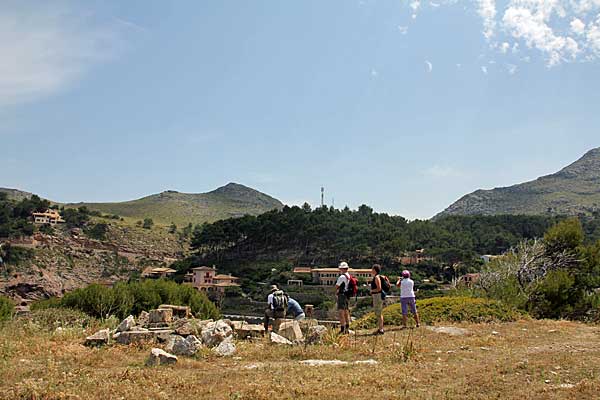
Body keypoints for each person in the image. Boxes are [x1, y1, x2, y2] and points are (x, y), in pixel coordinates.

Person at [335, 261, 351, 334]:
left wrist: (336, 292)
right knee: (346, 312)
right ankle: (347, 327)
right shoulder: (349, 276)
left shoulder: (342, 277)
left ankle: (342, 328)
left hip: (341, 295)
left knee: (341, 312)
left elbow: (337, 286)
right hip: (347, 295)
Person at [370, 264, 385, 335]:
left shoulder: (376, 277)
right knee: (378, 312)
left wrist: (372, 291)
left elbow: (379, 288)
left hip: (377, 296)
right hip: (378, 296)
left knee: (378, 313)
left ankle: (381, 329)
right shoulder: (380, 276)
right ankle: (380, 328)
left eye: (372, 269)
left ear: (375, 270)